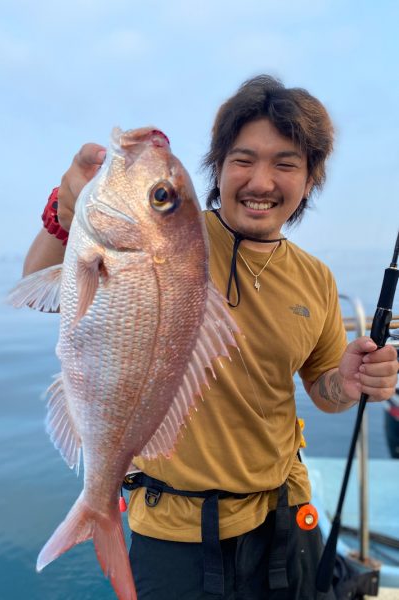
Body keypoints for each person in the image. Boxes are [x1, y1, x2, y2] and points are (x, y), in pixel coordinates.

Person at [23, 75, 398, 599]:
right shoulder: (176, 238)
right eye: (243, 159)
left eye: (285, 163)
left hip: (282, 522)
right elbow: (41, 287)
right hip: (174, 534)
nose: (261, 181)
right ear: (218, 167)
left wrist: (350, 379)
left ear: (310, 180)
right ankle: (96, 505)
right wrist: (64, 212)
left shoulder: (316, 278)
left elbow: (323, 391)